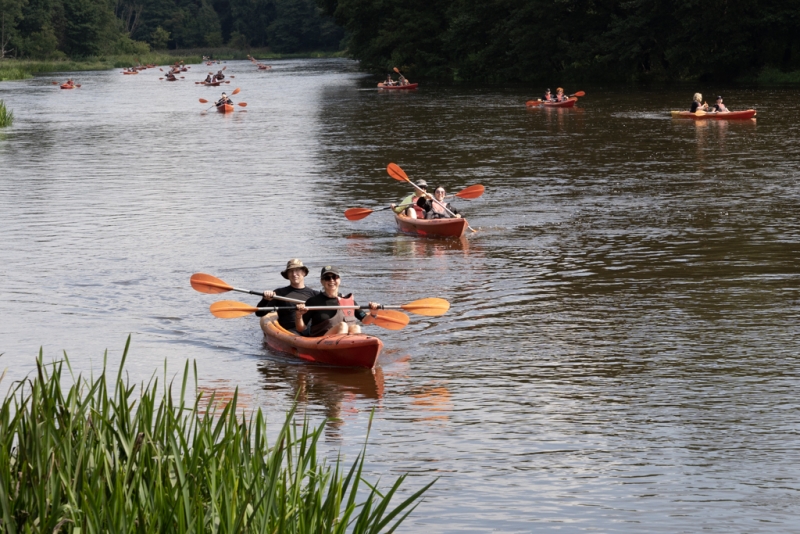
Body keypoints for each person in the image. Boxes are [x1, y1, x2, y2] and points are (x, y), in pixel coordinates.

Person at [295, 266, 381, 337]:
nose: (331, 280)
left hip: (346, 342)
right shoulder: (313, 302)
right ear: (322, 282)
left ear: (339, 280)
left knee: (356, 327)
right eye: (327, 278)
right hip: (320, 341)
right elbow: (301, 329)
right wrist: (298, 315)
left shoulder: (348, 300)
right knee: (342, 325)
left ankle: (351, 352)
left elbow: (366, 321)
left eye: (334, 277)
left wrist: (373, 313)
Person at [255, 259, 319, 332]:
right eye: (291, 271)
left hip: (309, 329)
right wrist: (265, 299)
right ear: (287, 275)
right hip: (290, 331)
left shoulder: (315, 294)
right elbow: (259, 313)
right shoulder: (279, 293)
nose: (294, 274)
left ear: (304, 272)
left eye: (297, 270)